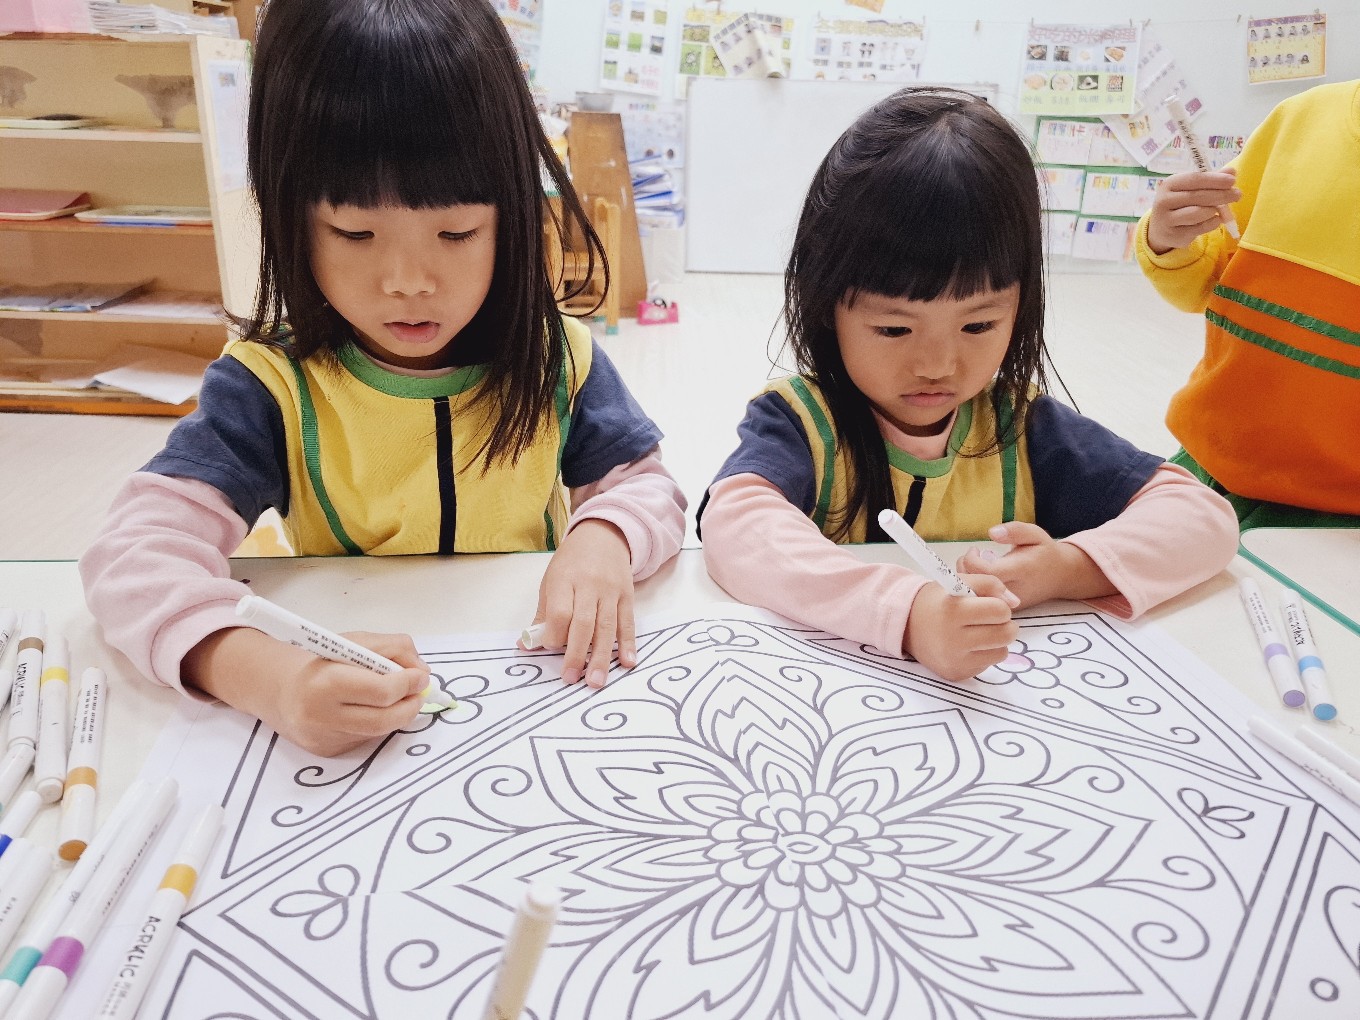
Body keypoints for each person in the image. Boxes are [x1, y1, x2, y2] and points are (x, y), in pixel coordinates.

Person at [80, 0, 687, 757]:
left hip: (528, 691)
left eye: (456, 232)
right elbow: (133, 558)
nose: (408, 281)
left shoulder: (558, 359)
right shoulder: (271, 388)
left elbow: (648, 488)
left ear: (512, 216)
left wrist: (604, 536)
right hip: (360, 699)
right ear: (288, 216)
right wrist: (265, 675)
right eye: (355, 232)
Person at [699, 88, 1238, 682]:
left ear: (1020, 307)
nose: (938, 364)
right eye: (894, 328)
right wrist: (907, 612)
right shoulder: (800, 422)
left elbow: (1202, 519)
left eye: (978, 325)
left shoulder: (1022, 426)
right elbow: (735, 531)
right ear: (827, 307)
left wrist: (1066, 568)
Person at [1136, 79, 1360, 527]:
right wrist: (1169, 236)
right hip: (1211, 468)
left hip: (1343, 518)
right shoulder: (1302, 118)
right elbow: (1210, 270)